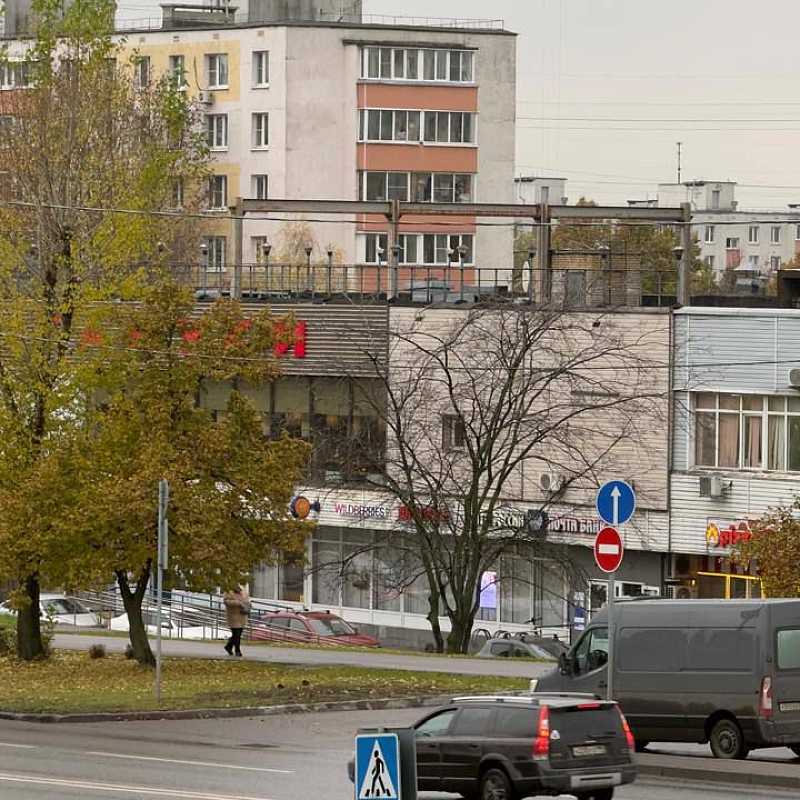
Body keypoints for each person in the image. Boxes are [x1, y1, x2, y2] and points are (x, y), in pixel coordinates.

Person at [223, 586, 250, 657]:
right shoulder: (228, 591)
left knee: (238, 634)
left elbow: (247, 599)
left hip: (242, 615)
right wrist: (238, 603)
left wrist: (248, 604)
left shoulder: (243, 590)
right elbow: (226, 601)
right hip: (233, 616)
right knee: (236, 634)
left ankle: (228, 646)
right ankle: (237, 650)